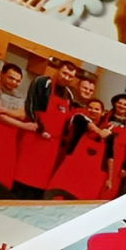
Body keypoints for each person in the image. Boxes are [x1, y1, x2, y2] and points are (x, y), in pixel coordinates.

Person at [15, 61, 91, 196]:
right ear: (57, 70)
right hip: (34, 138)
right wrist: (41, 129)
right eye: (64, 73)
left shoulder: (69, 94)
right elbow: (31, 105)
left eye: (70, 76)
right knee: (22, 177)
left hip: (52, 146)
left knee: (39, 182)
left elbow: (67, 121)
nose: (66, 78)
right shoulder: (42, 82)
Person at [0, 63, 36, 191]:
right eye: (11, 78)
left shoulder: (19, 96)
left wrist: (3, 110)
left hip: (9, 141)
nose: (14, 83)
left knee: (2, 175)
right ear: (2, 74)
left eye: (18, 81)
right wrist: (23, 125)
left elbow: (22, 114)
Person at [47, 98, 113, 199]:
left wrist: (110, 178)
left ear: (102, 113)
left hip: (90, 176)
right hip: (70, 169)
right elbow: (86, 122)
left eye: (96, 109)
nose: (93, 110)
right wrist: (100, 132)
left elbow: (110, 156)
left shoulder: (108, 133)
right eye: (90, 108)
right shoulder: (79, 120)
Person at [96, 93, 126, 200]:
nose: (122, 106)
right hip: (98, 156)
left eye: (125, 105)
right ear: (114, 103)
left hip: (118, 163)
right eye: (120, 103)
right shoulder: (103, 118)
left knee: (109, 189)